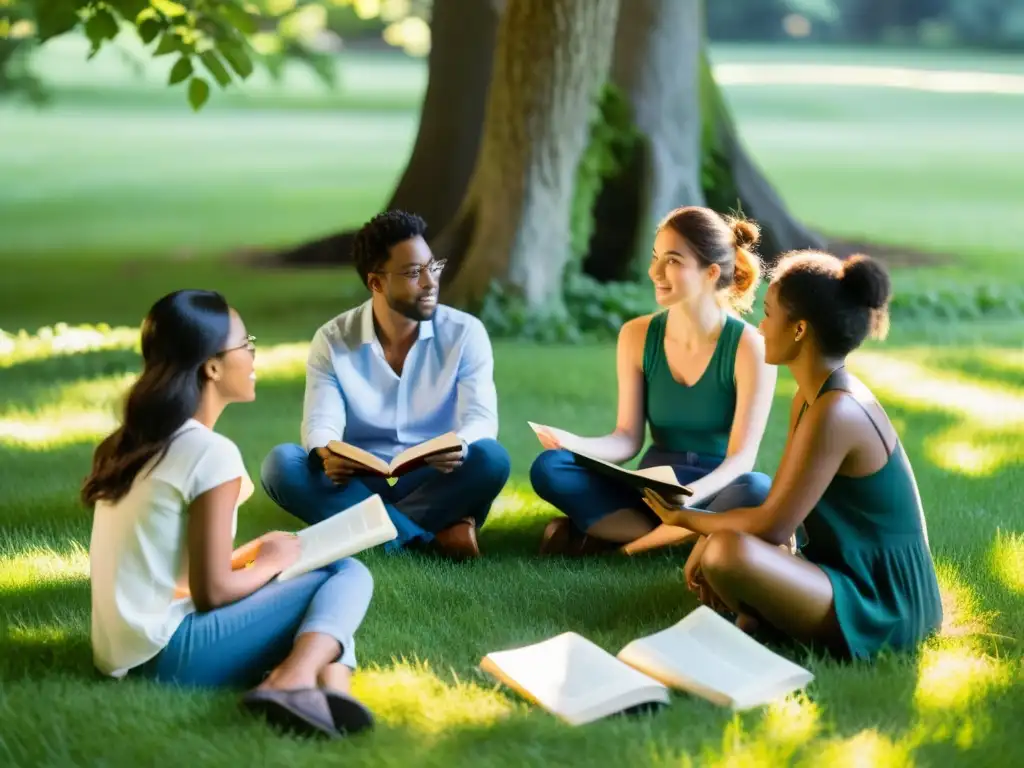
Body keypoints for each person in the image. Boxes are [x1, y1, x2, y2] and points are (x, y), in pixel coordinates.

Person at [85, 290, 376, 739]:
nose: (253, 354)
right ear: (213, 367)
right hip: (164, 657)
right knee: (349, 575)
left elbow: (172, 571)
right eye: (246, 345)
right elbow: (212, 593)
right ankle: (291, 681)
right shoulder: (208, 453)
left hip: (126, 651)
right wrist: (272, 564)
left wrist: (250, 556)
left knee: (325, 580)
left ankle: (333, 691)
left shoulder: (134, 441)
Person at [643, 251, 944, 659]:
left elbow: (771, 524)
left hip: (885, 600)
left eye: (768, 314)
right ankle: (762, 619)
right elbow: (786, 510)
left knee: (726, 551)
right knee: (736, 529)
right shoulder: (810, 396)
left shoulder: (837, 410)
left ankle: (762, 621)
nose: (761, 327)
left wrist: (688, 519)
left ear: (800, 329)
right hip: (842, 572)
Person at [260, 210, 511, 560]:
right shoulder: (333, 340)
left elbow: (481, 420)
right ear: (375, 282)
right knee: (282, 464)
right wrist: (325, 453)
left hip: (435, 476)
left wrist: (461, 445)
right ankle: (425, 538)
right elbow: (321, 422)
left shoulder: (465, 333)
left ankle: (366, 531)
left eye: (432, 267)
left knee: (491, 458)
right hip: (360, 479)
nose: (429, 282)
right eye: (412, 273)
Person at [530, 206, 778, 556]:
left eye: (673, 261)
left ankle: (626, 545)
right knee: (550, 468)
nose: (655, 272)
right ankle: (676, 538)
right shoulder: (636, 335)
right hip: (651, 490)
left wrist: (687, 502)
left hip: (716, 491)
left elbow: (740, 460)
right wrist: (573, 443)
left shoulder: (749, 346)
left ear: (710, 273)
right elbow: (626, 439)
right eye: (655, 257)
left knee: (757, 489)